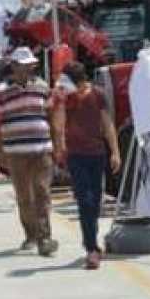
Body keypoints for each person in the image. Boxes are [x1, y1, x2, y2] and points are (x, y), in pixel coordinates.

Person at [0, 46, 59, 257]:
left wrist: (57, 143)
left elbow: (51, 115)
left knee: (42, 192)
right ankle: (31, 234)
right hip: (16, 152)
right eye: (24, 66)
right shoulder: (0, 91)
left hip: (41, 149)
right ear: (14, 67)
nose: (29, 69)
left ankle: (45, 237)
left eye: (31, 66)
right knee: (24, 196)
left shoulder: (42, 87)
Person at [51, 63, 121, 270]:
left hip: (97, 154)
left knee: (95, 201)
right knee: (85, 201)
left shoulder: (98, 95)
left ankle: (91, 242)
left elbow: (107, 124)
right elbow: (57, 125)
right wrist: (59, 102)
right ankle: (91, 247)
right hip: (76, 155)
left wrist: (115, 152)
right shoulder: (68, 98)